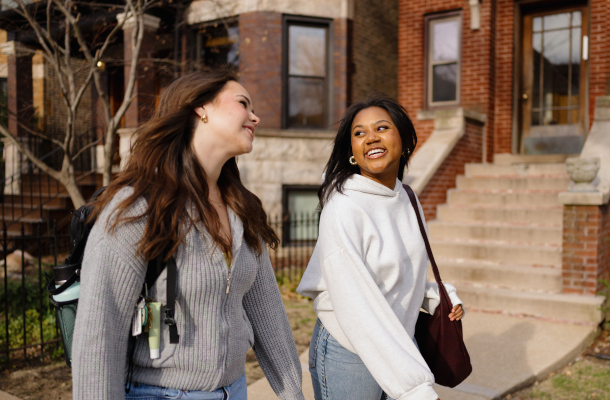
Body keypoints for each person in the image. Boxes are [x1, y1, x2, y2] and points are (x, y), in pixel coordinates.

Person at [71, 70, 304, 400]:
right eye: (243, 103)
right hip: (162, 394)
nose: (255, 116)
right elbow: (98, 334)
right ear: (201, 109)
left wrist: (294, 393)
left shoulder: (242, 209)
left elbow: (270, 316)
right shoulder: (139, 208)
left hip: (235, 390)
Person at [296, 95, 464, 400]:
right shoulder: (344, 206)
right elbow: (356, 300)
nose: (370, 137)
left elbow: (400, 269)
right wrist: (414, 387)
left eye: (382, 127)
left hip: (395, 339)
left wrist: (436, 296)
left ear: (405, 140)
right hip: (350, 349)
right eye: (359, 133)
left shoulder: (408, 198)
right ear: (352, 152)